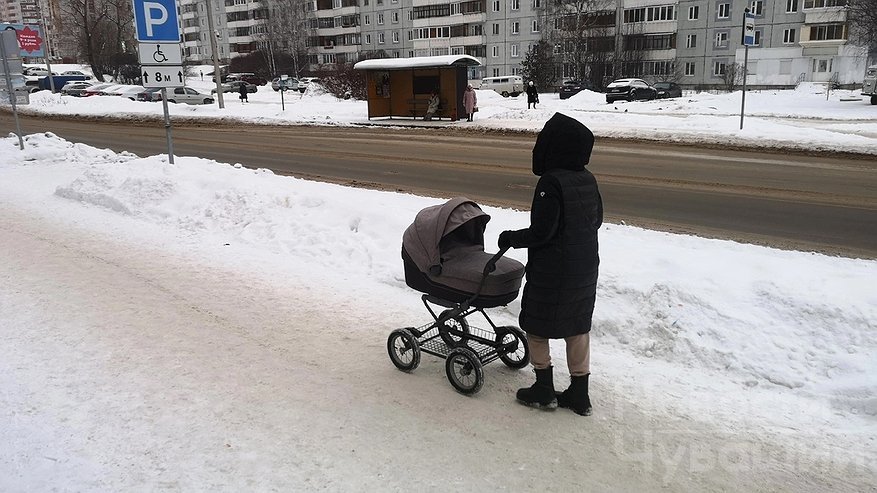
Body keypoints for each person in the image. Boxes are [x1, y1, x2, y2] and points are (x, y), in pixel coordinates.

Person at [498, 112, 602, 417]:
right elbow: (596, 220)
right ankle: (579, 394)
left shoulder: (551, 182)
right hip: (585, 266)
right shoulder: (587, 178)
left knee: (536, 325)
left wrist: (510, 238)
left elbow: (543, 232)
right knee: (576, 326)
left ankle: (543, 388)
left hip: (554, 270)